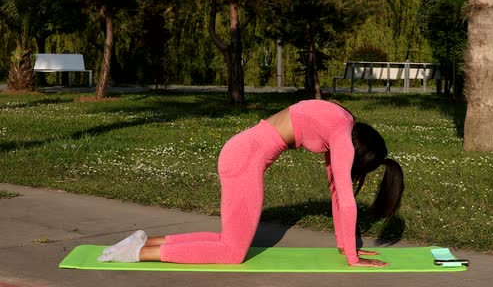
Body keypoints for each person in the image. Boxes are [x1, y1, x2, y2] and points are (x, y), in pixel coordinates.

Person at [97, 99, 404, 267]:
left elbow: (337, 193)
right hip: (244, 159)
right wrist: (353, 258)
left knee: (226, 238)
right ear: (361, 150)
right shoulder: (341, 135)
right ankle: (137, 254)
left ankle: (143, 242)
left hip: (241, 151)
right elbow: (347, 199)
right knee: (231, 253)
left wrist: (343, 246)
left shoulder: (341, 118)